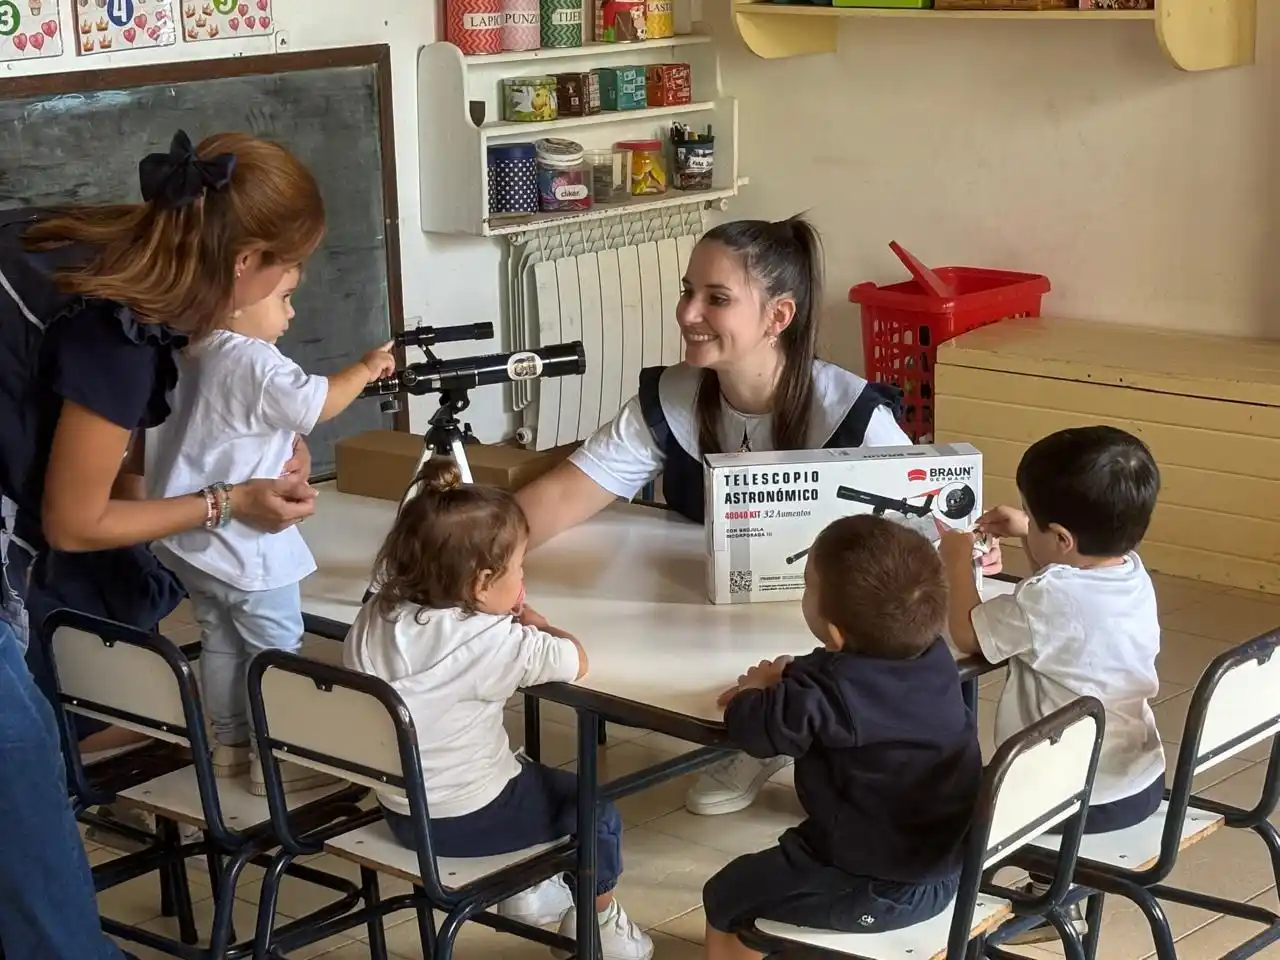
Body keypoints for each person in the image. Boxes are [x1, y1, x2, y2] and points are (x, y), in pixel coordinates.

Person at [516, 215, 1003, 816]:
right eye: (687, 291)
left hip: (813, 624)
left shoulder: (851, 414)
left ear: (778, 317)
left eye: (716, 299)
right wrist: (473, 560)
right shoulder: (673, 398)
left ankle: (782, 730)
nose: (688, 313)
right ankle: (767, 726)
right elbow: (563, 496)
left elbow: (932, 540)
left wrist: (972, 551)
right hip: (706, 609)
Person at [0, 129, 325, 958]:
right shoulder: (112, 324)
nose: (294, 297)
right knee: (28, 811)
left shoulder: (103, 238)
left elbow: (99, 460)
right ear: (246, 262)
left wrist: (234, 469)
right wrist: (228, 501)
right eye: (292, 278)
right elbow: (79, 517)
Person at [344, 460, 654, 960]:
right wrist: (538, 622)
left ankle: (526, 894)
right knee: (594, 806)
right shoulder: (497, 642)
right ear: (482, 583)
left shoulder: (373, 616)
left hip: (403, 812)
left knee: (520, 767)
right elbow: (575, 660)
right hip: (470, 818)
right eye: (519, 568)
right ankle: (598, 928)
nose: (523, 576)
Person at [147, 265, 397, 794]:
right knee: (276, 650)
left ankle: (229, 747)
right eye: (283, 297)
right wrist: (367, 367)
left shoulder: (188, 350)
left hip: (194, 542)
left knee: (219, 640)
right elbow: (316, 403)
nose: (292, 312)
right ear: (236, 294)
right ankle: (277, 762)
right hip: (247, 545)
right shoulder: (250, 359)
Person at [703, 514, 983, 960]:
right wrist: (791, 670)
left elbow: (756, 729)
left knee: (727, 893)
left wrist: (757, 689)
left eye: (807, 585)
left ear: (834, 632)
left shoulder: (835, 695)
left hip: (874, 883)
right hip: (944, 864)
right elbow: (845, 674)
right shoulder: (932, 656)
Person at [940, 425, 1164, 943]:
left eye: (1032, 515)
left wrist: (956, 561)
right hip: (1138, 781)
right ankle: (1053, 899)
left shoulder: (1049, 597)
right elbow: (1069, 569)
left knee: (950, 802)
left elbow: (967, 633)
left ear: (1062, 538)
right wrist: (1028, 530)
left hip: (1076, 801)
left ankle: (1027, 906)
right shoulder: (1130, 569)